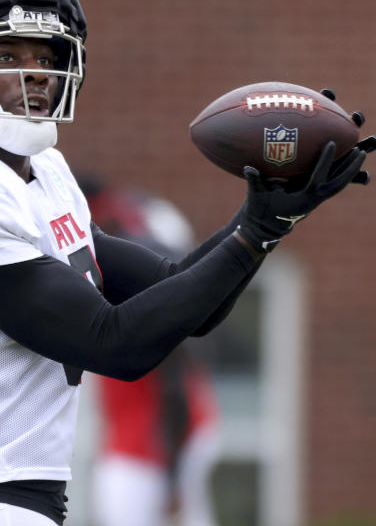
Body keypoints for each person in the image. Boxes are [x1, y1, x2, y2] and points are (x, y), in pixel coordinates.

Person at [0, 0, 376, 526]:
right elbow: (115, 343)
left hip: (19, 508)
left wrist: (269, 219)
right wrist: (254, 232)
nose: (38, 71)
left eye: (46, 55)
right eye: (8, 54)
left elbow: (184, 302)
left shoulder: (44, 175)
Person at [80, 178, 222, 526]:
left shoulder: (134, 285)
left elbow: (173, 383)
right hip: (153, 436)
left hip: (149, 446)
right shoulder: (133, 218)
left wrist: (171, 479)